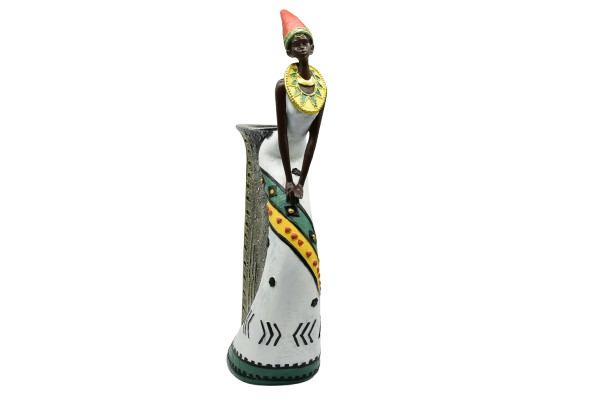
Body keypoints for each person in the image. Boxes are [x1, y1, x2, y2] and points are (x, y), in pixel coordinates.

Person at [227, 10, 327, 385]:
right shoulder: (282, 87)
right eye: (295, 43)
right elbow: (284, 134)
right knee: (285, 247)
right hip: (276, 158)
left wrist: (303, 175)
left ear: (312, 46)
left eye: (305, 41)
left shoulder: (321, 86)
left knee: (307, 245)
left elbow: (313, 137)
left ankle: (299, 348)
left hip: (300, 166)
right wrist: (287, 177)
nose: (302, 46)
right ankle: (259, 347)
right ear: (289, 50)